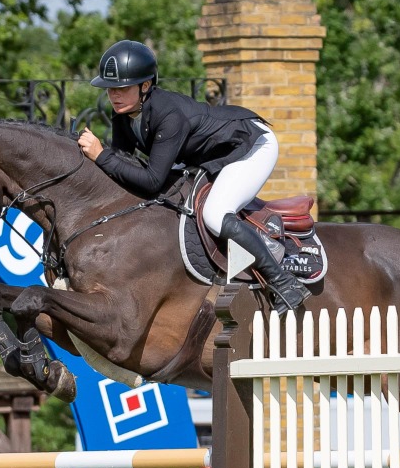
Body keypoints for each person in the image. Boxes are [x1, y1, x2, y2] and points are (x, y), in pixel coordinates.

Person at [75, 40, 309, 312]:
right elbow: (123, 170)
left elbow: (151, 181)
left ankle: (284, 283)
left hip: (250, 146)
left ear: (146, 86)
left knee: (216, 214)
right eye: (110, 89)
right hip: (210, 156)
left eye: (123, 88)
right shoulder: (122, 118)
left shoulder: (169, 114)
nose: (114, 95)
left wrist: (101, 155)